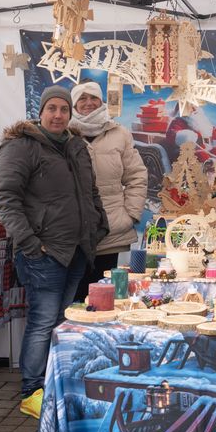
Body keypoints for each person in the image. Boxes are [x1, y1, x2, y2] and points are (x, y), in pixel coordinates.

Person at [0, 85, 108, 419]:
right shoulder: (22, 146)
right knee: (43, 322)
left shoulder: (76, 146)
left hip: (76, 249)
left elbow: (91, 191)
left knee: (61, 321)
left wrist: (98, 225)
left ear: (70, 114)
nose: (58, 115)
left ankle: (52, 384)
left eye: (63, 110)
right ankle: (31, 392)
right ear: (41, 112)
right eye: (52, 109)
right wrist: (30, 243)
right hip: (44, 252)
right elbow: (6, 198)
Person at [68, 81, 148, 301]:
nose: (88, 103)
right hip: (74, 231)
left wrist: (129, 215)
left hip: (112, 228)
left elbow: (137, 176)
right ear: (74, 104)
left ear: (101, 101)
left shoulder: (119, 133)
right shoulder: (64, 134)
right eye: (82, 98)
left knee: (106, 297)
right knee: (74, 298)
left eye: (93, 97)